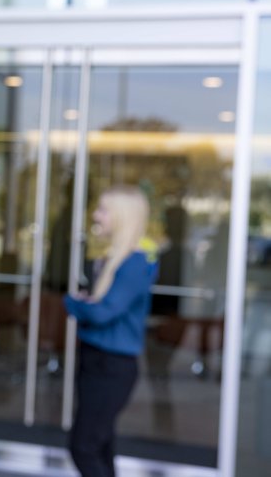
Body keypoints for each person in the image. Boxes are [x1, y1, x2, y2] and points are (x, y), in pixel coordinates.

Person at [64, 186, 157, 477]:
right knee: (101, 444)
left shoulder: (135, 263)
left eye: (103, 210)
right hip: (96, 360)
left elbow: (103, 313)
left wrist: (72, 303)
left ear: (121, 217)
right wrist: (89, 305)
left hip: (111, 367)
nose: (96, 215)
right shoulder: (112, 259)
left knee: (84, 447)